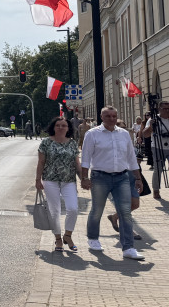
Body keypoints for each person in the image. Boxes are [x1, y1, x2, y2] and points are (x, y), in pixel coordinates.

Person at [79, 106, 145, 260]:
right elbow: (86, 158)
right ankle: (93, 238)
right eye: (108, 116)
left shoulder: (124, 134)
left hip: (121, 177)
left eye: (114, 116)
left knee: (125, 212)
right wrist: (84, 178)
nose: (111, 119)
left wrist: (138, 178)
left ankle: (128, 247)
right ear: (102, 117)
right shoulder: (92, 134)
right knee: (97, 210)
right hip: (100, 177)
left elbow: (131, 158)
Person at [35, 116, 82, 252]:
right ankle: (58, 239)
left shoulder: (72, 143)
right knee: (54, 211)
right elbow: (41, 162)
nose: (61, 128)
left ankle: (68, 235)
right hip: (50, 180)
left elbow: (77, 163)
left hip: (69, 181)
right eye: (58, 125)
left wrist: (84, 178)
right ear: (53, 127)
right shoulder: (46, 142)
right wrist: (38, 180)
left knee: (73, 209)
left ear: (68, 128)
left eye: (64, 126)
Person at [141, 100, 169, 200]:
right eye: (164, 108)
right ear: (159, 109)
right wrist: (151, 127)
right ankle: (156, 190)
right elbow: (145, 134)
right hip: (158, 147)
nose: (166, 111)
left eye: (168, 108)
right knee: (158, 170)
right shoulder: (154, 119)